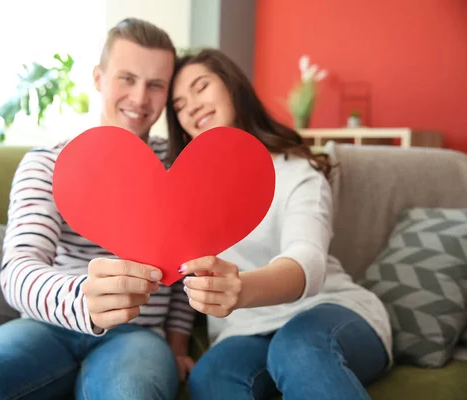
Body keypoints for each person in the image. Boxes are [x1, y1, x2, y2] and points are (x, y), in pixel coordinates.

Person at [0, 18, 197, 400]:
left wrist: (178, 344)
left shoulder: (177, 169)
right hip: (45, 326)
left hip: (137, 334)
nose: (139, 98)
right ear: (98, 78)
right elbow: (19, 269)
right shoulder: (48, 163)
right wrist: (84, 296)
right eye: (126, 78)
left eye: (156, 85)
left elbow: (190, 267)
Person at [165, 48, 393, 400]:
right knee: (210, 379)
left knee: (298, 349)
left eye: (201, 87)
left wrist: (240, 288)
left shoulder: (295, 171)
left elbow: (308, 259)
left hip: (327, 311)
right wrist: (178, 346)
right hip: (245, 331)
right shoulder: (185, 193)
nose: (192, 106)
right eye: (179, 105)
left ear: (232, 87)